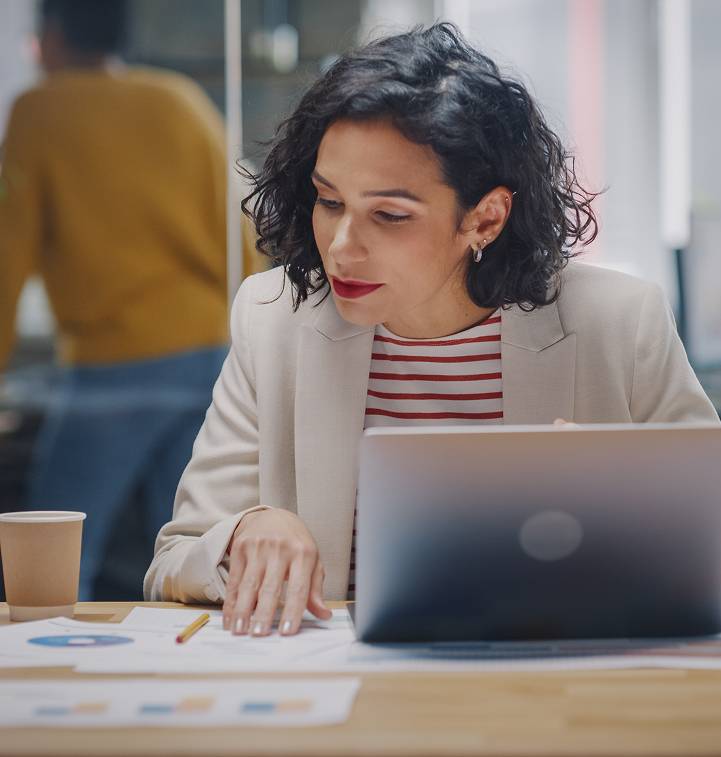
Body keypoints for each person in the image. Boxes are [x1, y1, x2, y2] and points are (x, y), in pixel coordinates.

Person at [144, 23, 719, 635]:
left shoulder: (620, 323)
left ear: (486, 218)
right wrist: (245, 531)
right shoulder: (273, 318)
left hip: (555, 687)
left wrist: (629, 501)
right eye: (329, 201)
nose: (341, 248)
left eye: (389, 215)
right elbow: (173, 560)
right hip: (345, 697)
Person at [0, 0, 264, 599]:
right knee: (183, 560)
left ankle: (49, 687)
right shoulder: (176, 98)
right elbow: (242, 228)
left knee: (48, 567)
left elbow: (6, 254)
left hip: (111, 371)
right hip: (206, 359)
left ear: (53, 35)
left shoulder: (39, 110)